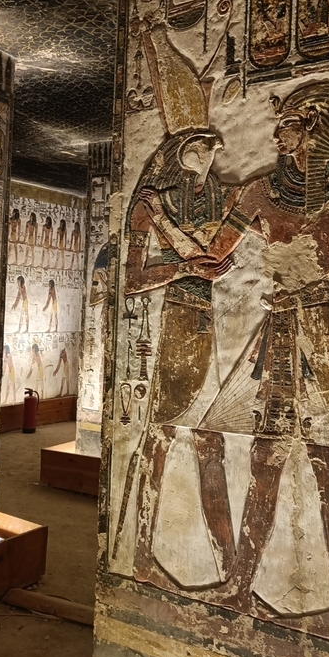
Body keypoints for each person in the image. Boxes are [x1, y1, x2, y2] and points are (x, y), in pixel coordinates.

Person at [192, 80, 329, 649]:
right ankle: (240, 583)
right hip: (276, 333)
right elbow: (213, 255)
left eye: (288, 122)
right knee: (261, 454)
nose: (276, 132)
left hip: (318, 335)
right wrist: (172, 220)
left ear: (316, 126)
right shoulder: (260, 191)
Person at [113, 128, 235, 585]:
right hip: (180, 320)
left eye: (210, 144)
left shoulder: (228, 199)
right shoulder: (151, 202)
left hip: (217, 324)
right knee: (163, 435)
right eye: (199, 144)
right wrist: (184, 265)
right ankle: (142, 550)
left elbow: (219, 253)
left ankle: (226, 565)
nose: (207, 150)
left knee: (211, 442)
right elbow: (133, 280)